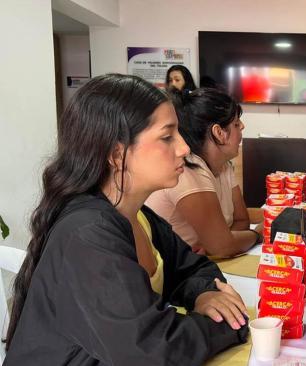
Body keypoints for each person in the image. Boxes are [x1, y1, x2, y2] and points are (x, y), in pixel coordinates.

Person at [4, 74, 249, 365]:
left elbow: (193, 269)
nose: (184, 148)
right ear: (117, 154)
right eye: (167, 136)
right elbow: (152, 350)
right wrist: (227, 324)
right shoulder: (88, 234)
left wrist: (203, 296)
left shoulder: (138, 216)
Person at [146, 88, 260, 258]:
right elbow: (222, 247)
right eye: (236, 124)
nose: (242, 127)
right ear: (218, 133)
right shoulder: (188, 168)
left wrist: (226, 241)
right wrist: (257, 235)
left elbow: (241, 220)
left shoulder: (224, 166)